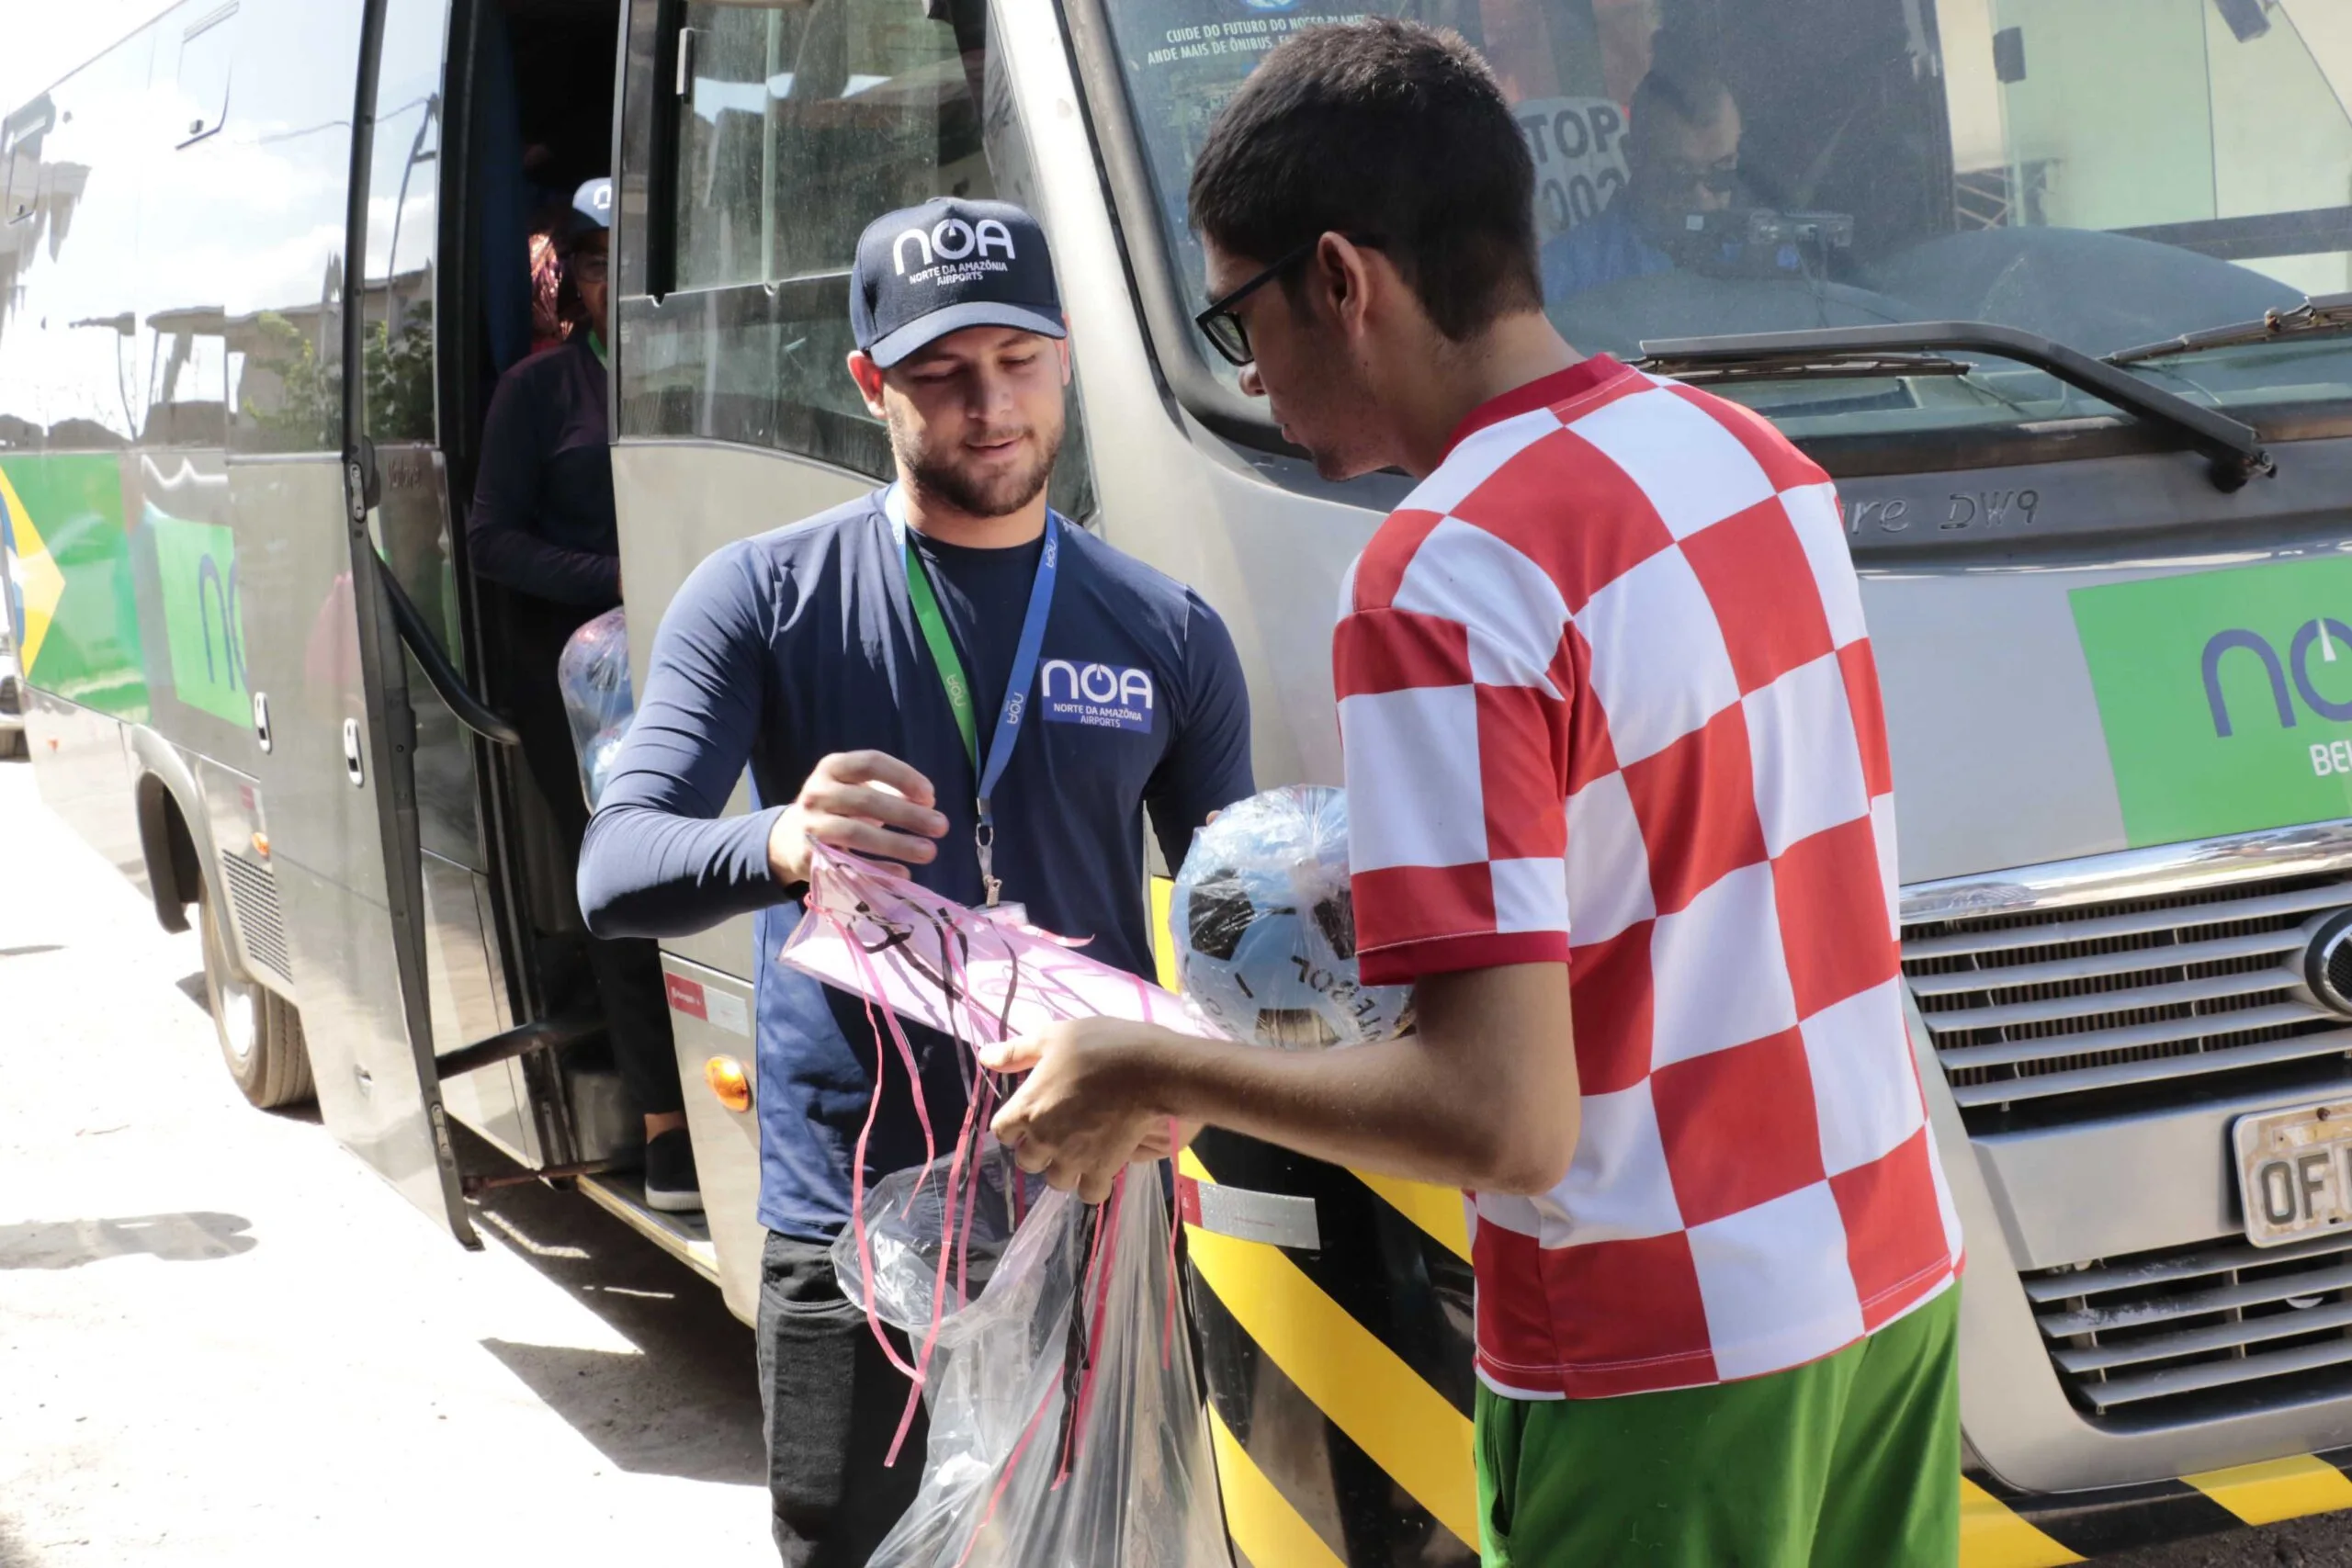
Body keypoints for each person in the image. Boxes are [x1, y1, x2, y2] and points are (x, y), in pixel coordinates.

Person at [980, 21, 1964, 1568]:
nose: (1259, 369)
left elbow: (1497, 1117)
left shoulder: (1444, 577)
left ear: (1340, 279)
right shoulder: (1753, 462)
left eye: (1241, 317)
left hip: (1662, 1347)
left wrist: (1144, 1064)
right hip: (1887, 1277)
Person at [575, 197, 1253, 1565]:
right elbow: (615, 861)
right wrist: (777, 840)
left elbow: (1235, 920)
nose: (988, 405)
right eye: (942, 372)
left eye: (1017, 359)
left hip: (1091, 1202)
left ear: (1066, 357)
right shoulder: (762, 595)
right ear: (870, 382)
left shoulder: (1169, 630)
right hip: (850, 1222)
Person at [468, 176, 699, 1213]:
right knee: (636, 896)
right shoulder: (537, 390)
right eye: (598, 264)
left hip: (704, 658)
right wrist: (614, 579)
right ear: (576, 281)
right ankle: (666, 1132)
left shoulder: (708, 368)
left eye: (633, 261)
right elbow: (488, 540)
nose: (617, 284)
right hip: (588, 693)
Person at [1539, 31, 1740, 299]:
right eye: (1679, 175)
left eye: (1721, 172)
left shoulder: (1775, 261)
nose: (1702, 198)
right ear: (1633, 157)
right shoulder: (1561, 276)